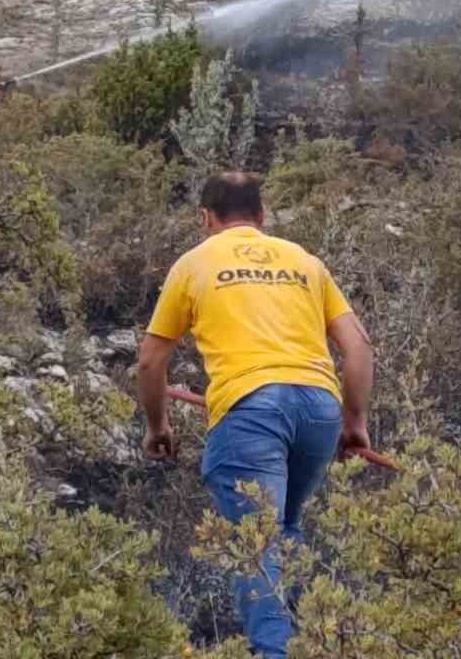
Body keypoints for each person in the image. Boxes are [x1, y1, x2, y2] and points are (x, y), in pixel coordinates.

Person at [137, 170, 374, 659]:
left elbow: (150, 360)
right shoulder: (305, 261)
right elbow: (357, 347)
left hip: (250, 410)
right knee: (283, 532)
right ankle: (319, 644)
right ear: (262, 217)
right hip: (318, 409)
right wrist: (354, 423)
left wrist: (158, 427)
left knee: (255, 548)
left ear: (206, 218)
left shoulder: (194, 263)